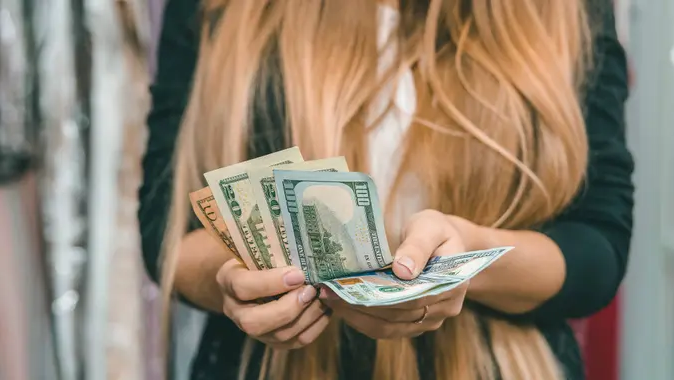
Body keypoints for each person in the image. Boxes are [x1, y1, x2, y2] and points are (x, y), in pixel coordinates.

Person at [139, 0, 634, 379]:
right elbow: (165, 230)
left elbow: (598, 247)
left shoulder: (567, 11)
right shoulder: (221, 9)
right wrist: (234, 280)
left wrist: (471, 256)